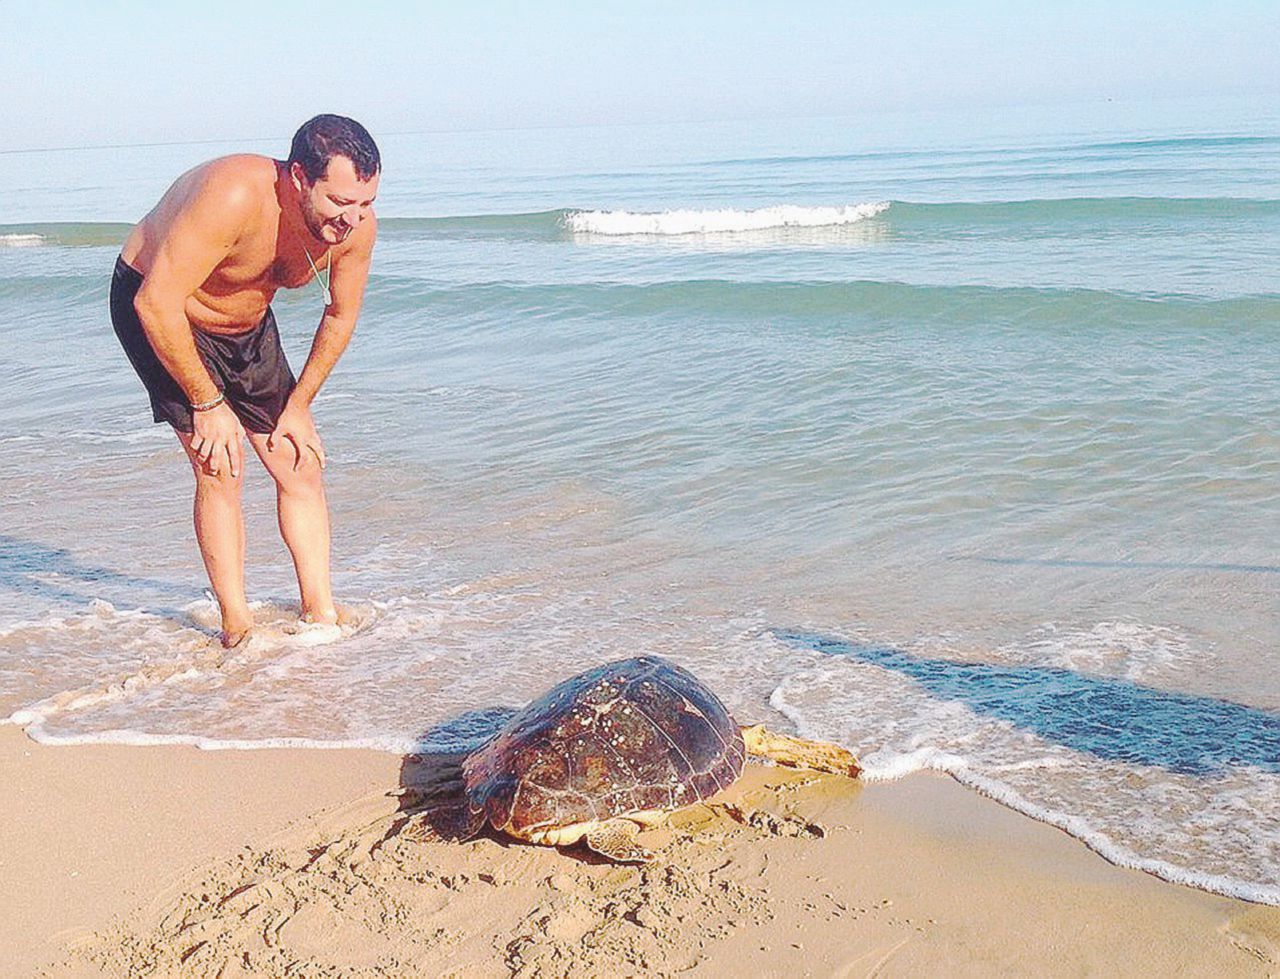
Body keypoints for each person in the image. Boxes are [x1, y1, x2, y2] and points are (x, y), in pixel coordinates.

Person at [110, 114, 380, 647]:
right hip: (162, 311)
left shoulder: (353, 230)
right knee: (221, 465)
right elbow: (155, 302)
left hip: (245, 326)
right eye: (340, 202)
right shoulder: (233, 194)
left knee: (297, 462)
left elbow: (340, 315)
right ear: (300, 177)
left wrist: (299, 405)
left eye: (366, 203)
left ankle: (320, 617)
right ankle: (238, 629)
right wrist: (207, 403)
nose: (353, 219)